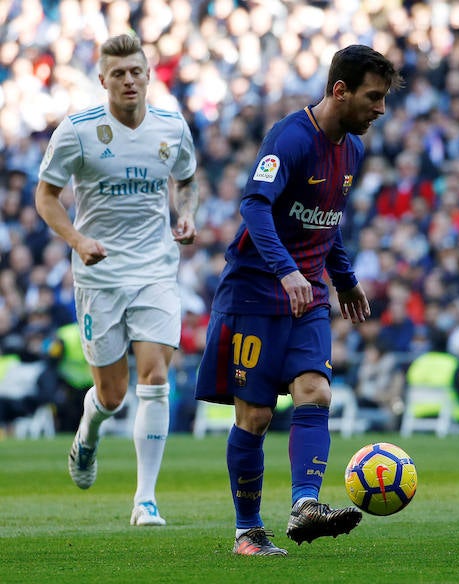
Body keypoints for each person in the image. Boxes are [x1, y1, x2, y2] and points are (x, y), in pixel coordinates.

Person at [194, 45, 402, 557]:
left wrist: (345, 278)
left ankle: (305, 505)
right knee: (256, 417)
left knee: (316, 391)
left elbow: (326, 222)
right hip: (256, 294)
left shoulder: (351, 148)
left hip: (307, 295)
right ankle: (248, 531)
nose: (381, 109)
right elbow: (254, 205)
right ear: (340, 90)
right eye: (373, 98)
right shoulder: (290, 138)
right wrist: (285, 270)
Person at [34, 34, 198, 527]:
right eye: (118, 73)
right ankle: (88, 434)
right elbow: (46, 198)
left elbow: (186, 178)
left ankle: (145, 499)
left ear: (148, 75)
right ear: (103, 79)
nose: (129, 80)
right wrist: (78, 240)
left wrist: (184, 212)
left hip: (154, 267)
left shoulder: (172, 126)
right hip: (99, 272)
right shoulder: (78, 131)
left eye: (136, 71)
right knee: (112, 394)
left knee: (155, 376)